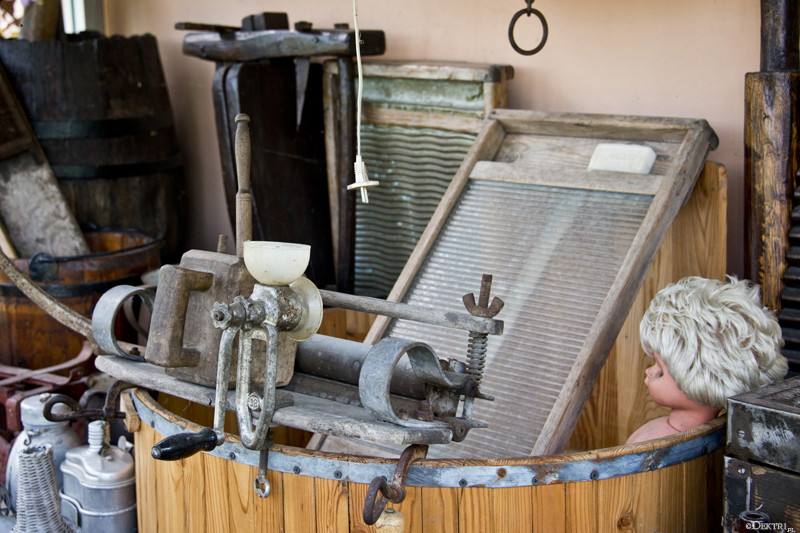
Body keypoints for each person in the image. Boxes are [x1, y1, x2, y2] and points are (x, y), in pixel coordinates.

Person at [626, 276, 788, 444]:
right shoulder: (725, 436)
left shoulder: (653, 443)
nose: (649, 371)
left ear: (696, 380)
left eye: (660, 370)